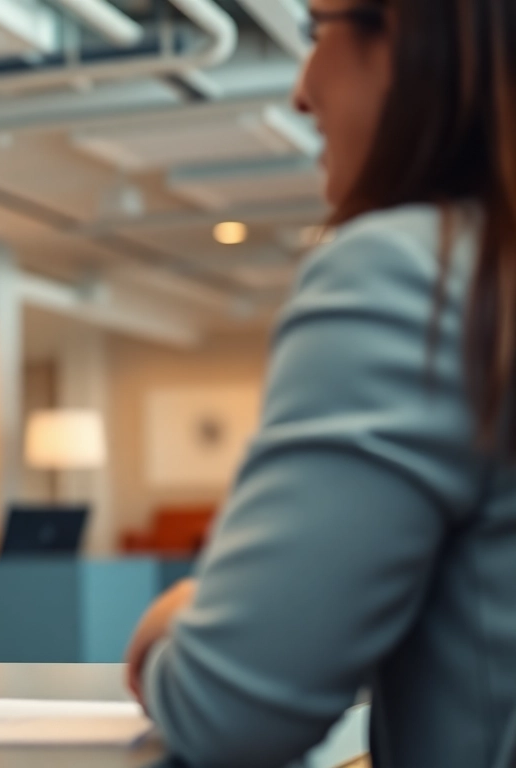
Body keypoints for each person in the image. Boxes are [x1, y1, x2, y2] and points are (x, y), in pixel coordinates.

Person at [124, 1, 516, 765]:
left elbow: (228, 712)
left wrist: (176, 621)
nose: (301, 91)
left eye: (315, 33)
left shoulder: (413, 274)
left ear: (411, 38)